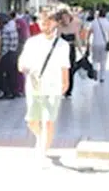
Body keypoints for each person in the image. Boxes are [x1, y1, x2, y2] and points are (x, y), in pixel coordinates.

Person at [17, 8, 74, 162]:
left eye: (48, 22)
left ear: (55, 23)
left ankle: (43, 150)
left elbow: (65, 66)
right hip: (34, 85)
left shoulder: (62, 45)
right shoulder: (32, 42)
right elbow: (22, 61)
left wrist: (65, 82)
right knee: (32, 120)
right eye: (42, 22)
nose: (45, 25)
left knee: (48, 121)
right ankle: (40, 137)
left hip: (53, 86)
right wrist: (23, 67)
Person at [86, 8, 109, 83]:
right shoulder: (108, 23)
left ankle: (95, 71)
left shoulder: (94, 22)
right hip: (104, 44)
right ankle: (102, 77)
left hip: (95, 43)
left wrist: (87, 41)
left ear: (99, 14)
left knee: (95, 59)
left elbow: (89, 32)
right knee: (103, 61)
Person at [58, 8, 83, 97]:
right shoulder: (60, 27)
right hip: (62, 51)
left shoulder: (74, 26)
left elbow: (78, 40)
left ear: (69, 17)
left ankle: (69, 90)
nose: (65, 20)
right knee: (63, 69)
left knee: (71, 69)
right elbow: (57, 40)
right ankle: (64, 87)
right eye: (63, 18)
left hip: (71, 50)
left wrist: (81, 51)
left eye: (66, 17)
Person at [0, 13, 21, 99]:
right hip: (13, 53)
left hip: (7, 54)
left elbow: (6, 44)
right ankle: (14, 91)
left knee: (6, 74)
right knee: (13, 74)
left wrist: (1, 55)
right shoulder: (12, 28)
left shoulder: (6, 29)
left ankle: (7, 92)